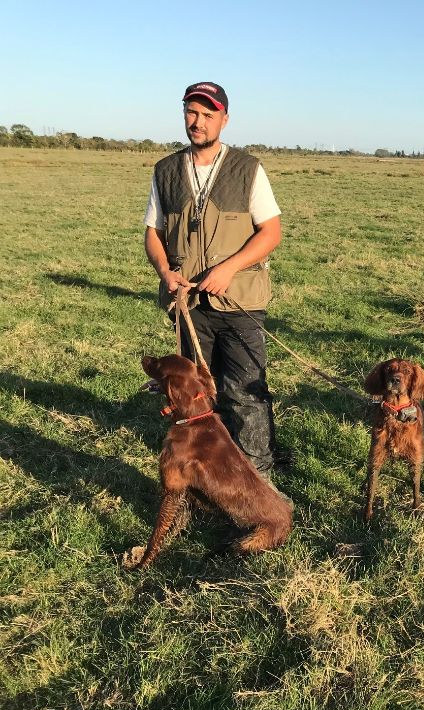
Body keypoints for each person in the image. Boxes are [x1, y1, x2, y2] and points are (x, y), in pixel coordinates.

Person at [143, 81, 283, 474]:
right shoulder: (166, 171)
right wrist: (165, 271)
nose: (198, 121)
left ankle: (259, 478)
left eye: (208, 114)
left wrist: (228, 268)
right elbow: (152, 232)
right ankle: (203, 472)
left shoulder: (247, 169)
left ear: (224, 118)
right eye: (192, 112)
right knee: (196, 394)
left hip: (240, 300)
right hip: (188, 304)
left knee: (245, 392)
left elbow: (271, 232)